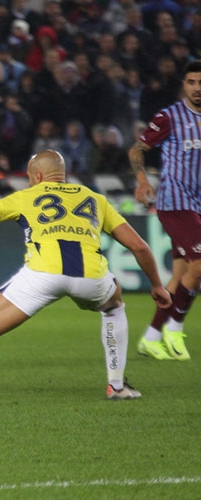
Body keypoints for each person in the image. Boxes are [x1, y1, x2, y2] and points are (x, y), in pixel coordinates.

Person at [0, 150, 171, 405]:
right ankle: (117, 386)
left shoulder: (25, 197)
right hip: (92, 278)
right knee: (114, 305)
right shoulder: (95, 199)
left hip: (43, 276)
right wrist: (157, 285)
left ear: (36, 176)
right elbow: (140, 247)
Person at [128, 60, 201, 361]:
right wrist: (142, 180)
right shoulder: (170, 117)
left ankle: (152, 337)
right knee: (198, 265)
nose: (198, 89)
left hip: (198, 204)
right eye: (193, 83)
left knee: (182, 274)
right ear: (183, 85)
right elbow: (137, 149)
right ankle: (175, 326)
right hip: (175, 201)